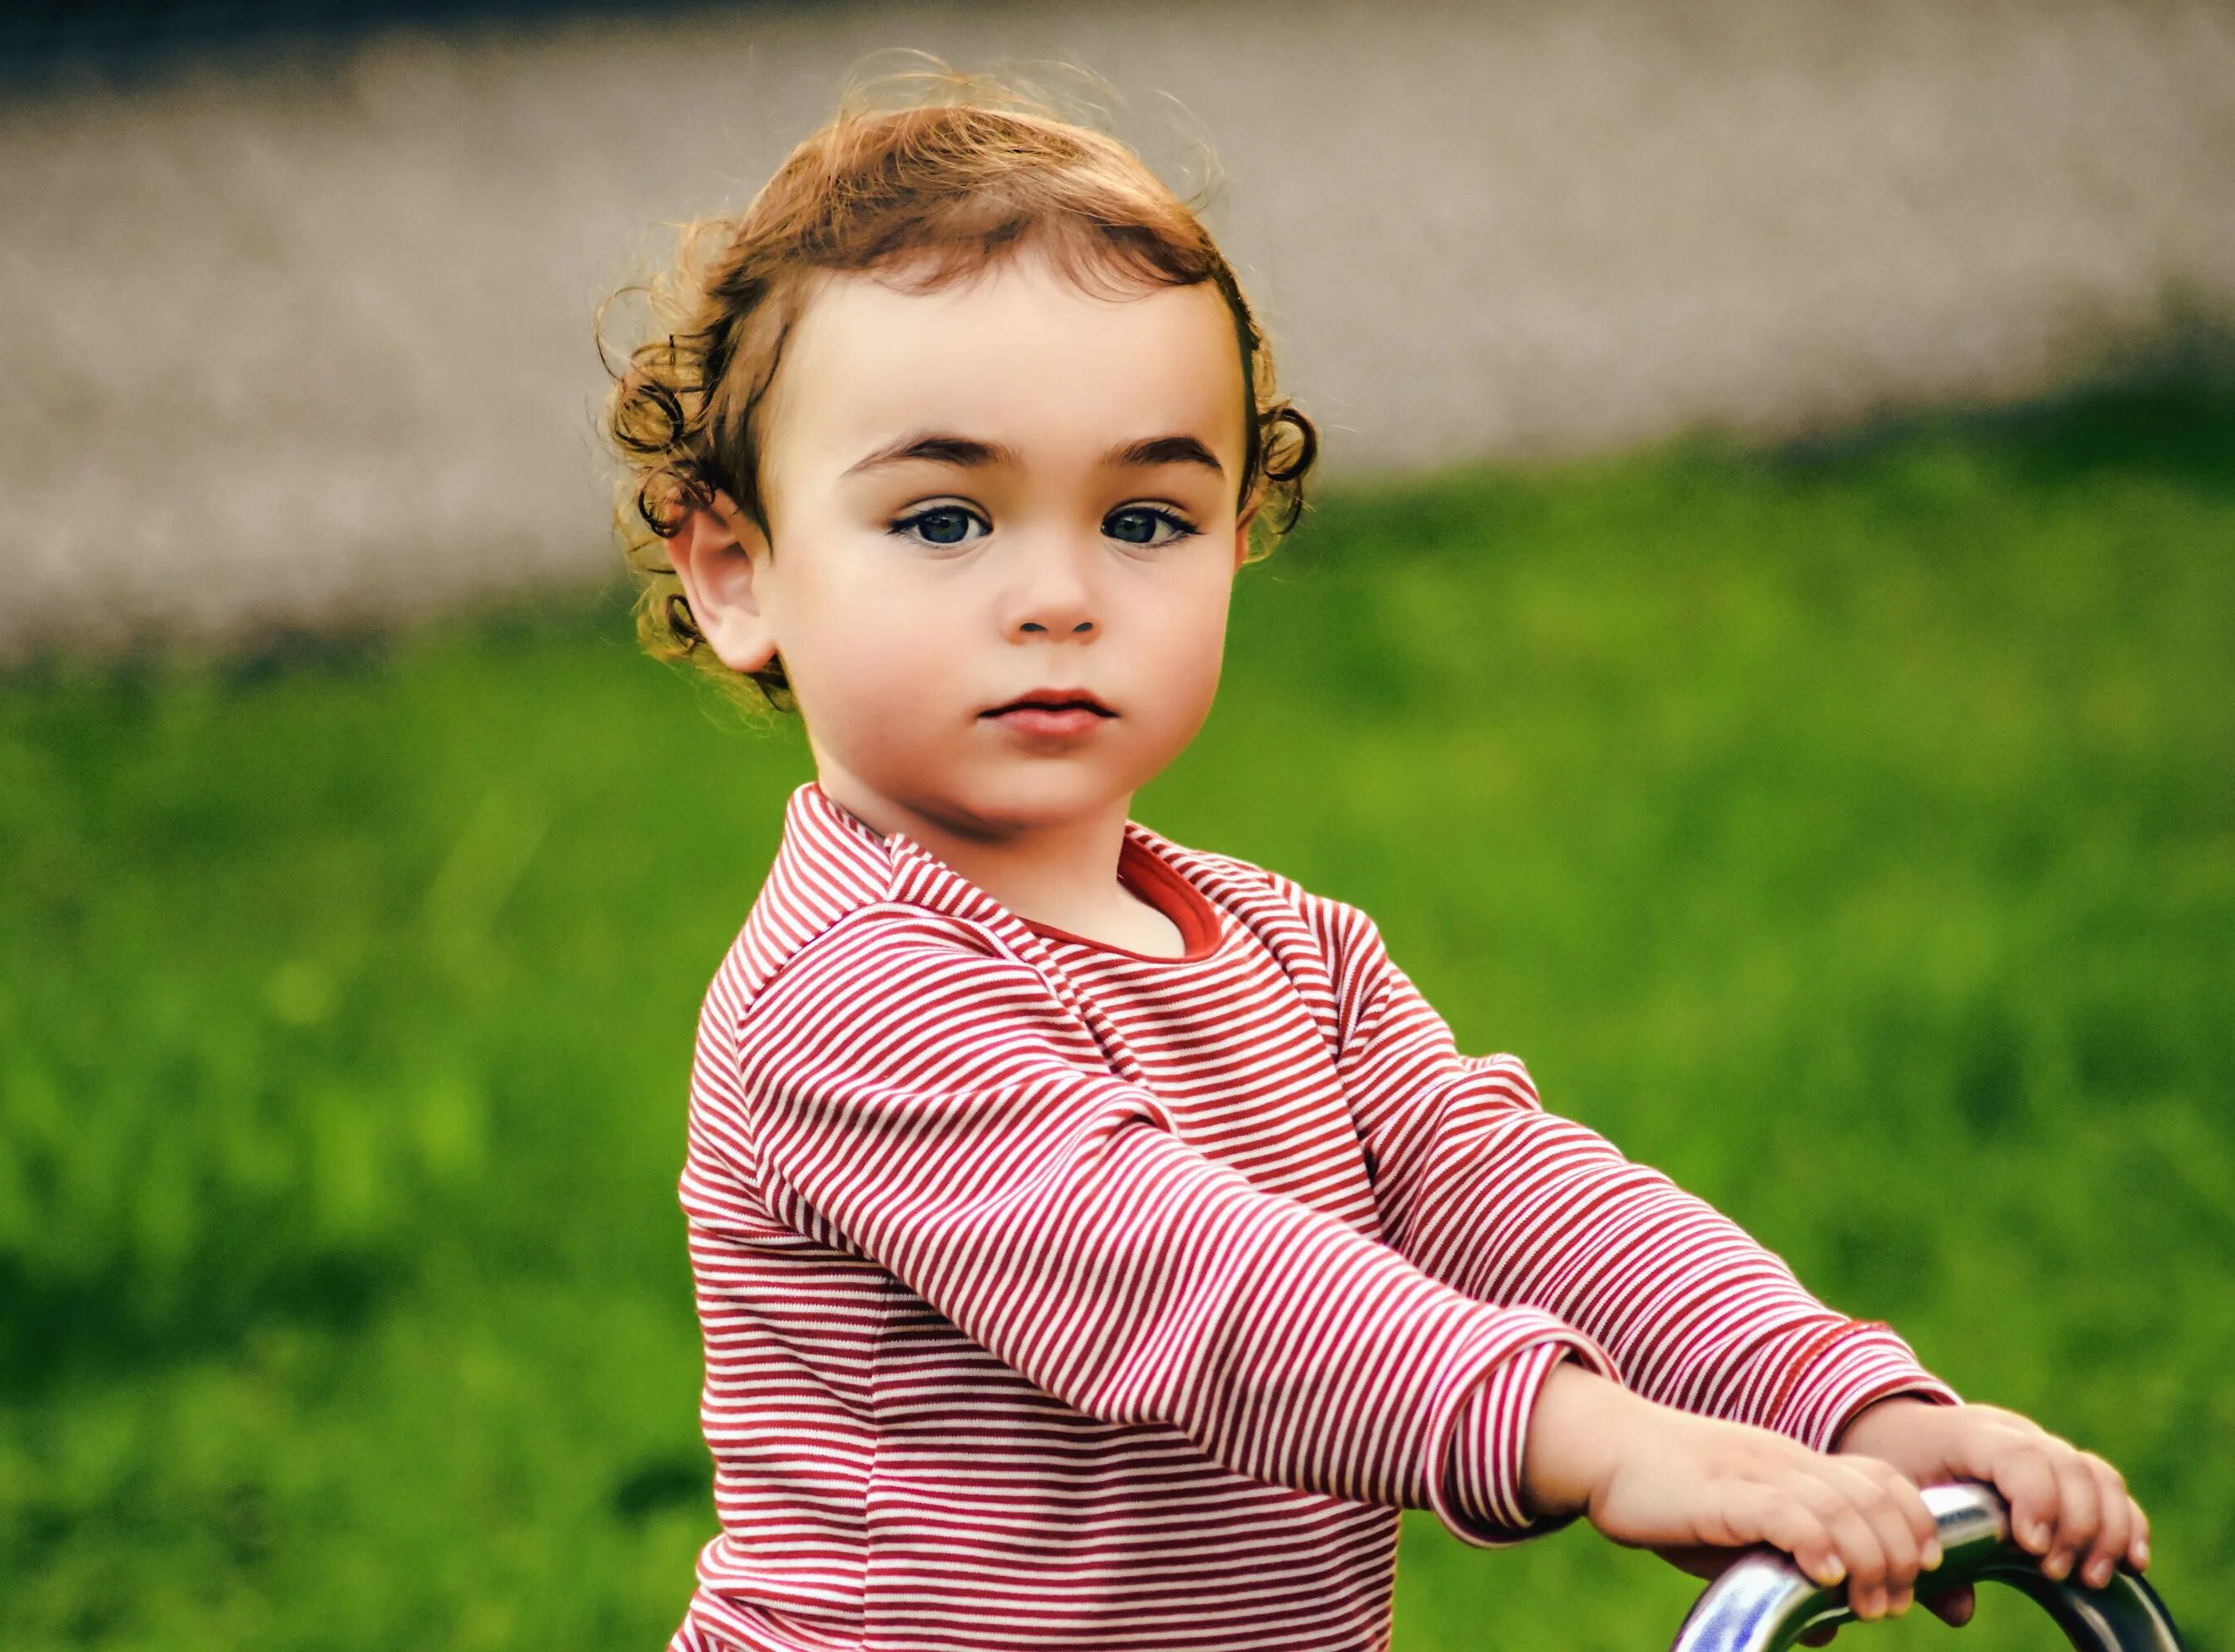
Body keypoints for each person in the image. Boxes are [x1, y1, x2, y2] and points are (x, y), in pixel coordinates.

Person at [596, 60, 2150, 1652]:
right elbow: (1192, 1287)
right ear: (735, 569)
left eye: (1145, 520)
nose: (1058, 593)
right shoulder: (846, 991)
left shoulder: (1295, 957)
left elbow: (1524, 1203)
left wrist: (1843, 1407)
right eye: (944, 518)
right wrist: (1595, 1440)